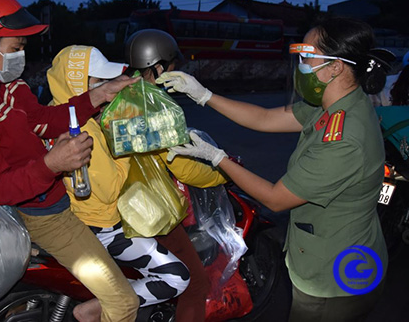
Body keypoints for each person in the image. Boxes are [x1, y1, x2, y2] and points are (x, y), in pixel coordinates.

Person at [159, 17, 388, 322]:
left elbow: (276, 198)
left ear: (335, 67)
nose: (301, 65)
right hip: (335, 250)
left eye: (307, 56)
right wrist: (205, 96)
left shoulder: (345, 137)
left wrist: (216, 158)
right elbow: (266, 118)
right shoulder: (336, 102)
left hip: (333, 278)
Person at [0, 0, 139, 322]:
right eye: (16, 47)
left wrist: (98, 94)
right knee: (123, 304)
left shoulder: (4, 83)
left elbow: (43, 121)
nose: (23, 54)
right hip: (45, 216)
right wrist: (52, 164)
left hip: (59, 198)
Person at [47, 45, 190, 316]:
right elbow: (110, 189)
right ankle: (96, 309)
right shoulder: (82, 131)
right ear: (78, 82)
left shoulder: (56, 113)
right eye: (98, 80)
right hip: (101, 227)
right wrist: (125, 146)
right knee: (177, 277)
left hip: (74, 218)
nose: (106, 86)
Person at [124, 29, 229, 322]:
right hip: (145, 209)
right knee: (195, 283)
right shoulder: (158, 107)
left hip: (110, 200)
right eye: (171, 66)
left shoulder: (119, 92)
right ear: (158, 67)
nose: (175, 71)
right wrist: (224, 172)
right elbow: (182, 167)